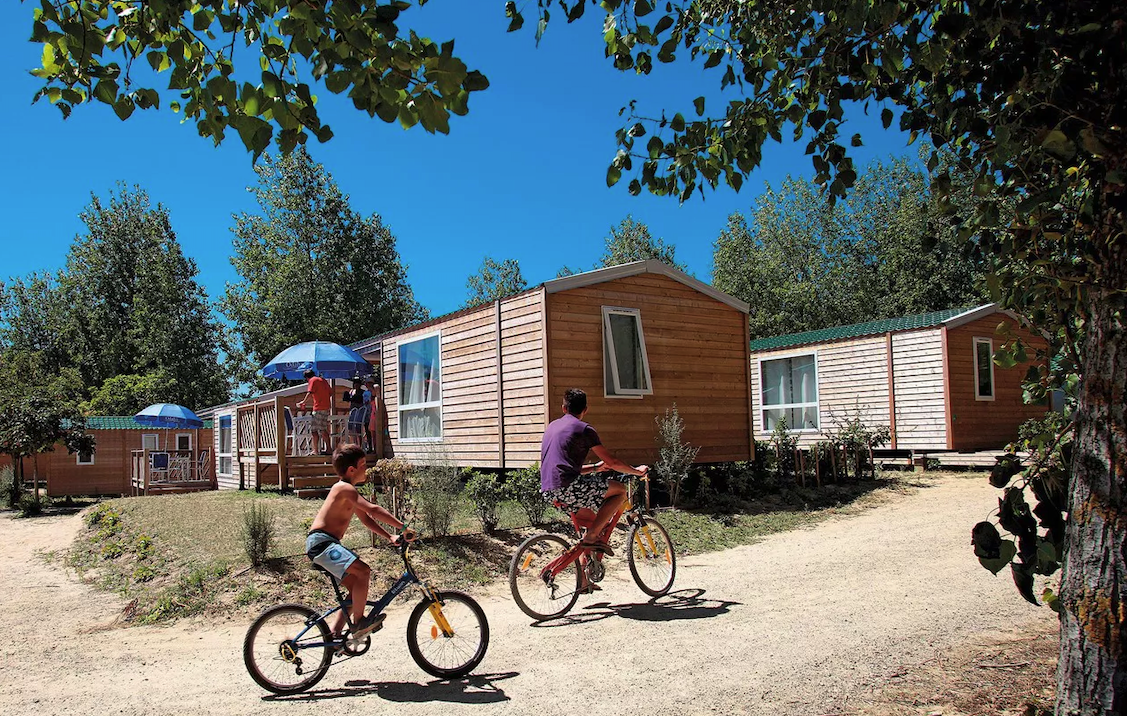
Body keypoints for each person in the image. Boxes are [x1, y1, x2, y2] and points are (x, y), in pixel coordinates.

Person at [305, 444, 413, 642]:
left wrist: (389, 536)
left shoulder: (348, 491)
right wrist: (403, 527)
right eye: (363, 465)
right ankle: (358, 624)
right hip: (321, 543)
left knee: (356, 585)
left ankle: (335, 637)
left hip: (324, 544)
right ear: (351, 470)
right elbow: (373, 509)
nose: (367, 468)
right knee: (363, 571)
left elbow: (365, 518)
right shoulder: (344, 488)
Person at [540, 388, 649, 559]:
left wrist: (595, 468)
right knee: (620, 490)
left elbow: (563, 469)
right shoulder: (584, 429)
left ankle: (584, 580)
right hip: (569, 488)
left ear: (564, 408)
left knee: (593, 524)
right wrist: (636, 472)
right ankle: (591, 537)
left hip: (549, 489)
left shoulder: (551, 427)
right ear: (585, 410)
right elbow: (612, 462)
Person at [296, 369, 332, 455]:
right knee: (322, 429)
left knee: (315, 430)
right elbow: (330, 393)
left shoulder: (312, 380)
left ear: (307, 378)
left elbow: (309, 392)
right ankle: (328, 449)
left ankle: (316, 451)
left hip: (318, 408)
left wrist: (303, 402)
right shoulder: (323, 380)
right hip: (326, 407)